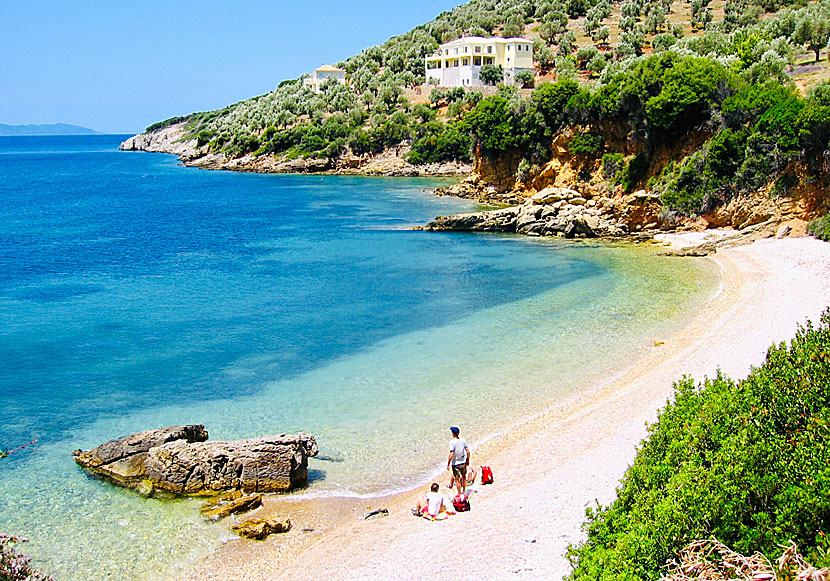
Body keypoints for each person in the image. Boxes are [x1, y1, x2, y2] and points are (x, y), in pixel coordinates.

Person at [447, 426, 470, 495]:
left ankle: (460, 493)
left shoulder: (452, 442)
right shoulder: (463, 440)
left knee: (457, 479)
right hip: (463, 461)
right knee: (463, 477)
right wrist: (468, 459)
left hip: (456, 463)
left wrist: (448, 463)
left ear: (453, 433)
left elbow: (451, 454)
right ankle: (464, 491)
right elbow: (468, 451)